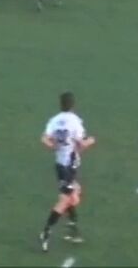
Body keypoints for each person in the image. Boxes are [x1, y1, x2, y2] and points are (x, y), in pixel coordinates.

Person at [39, 91, 96, 252]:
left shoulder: (54, 120)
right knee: (67, 200)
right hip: (68, 166)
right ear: (73, 105)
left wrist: (52, 146)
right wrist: (91, 140)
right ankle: (47, 231)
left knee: (74, 194)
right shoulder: (75, 122)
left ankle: (72, 228)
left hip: (60, 165)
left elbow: (44, 138)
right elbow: (82, 144)